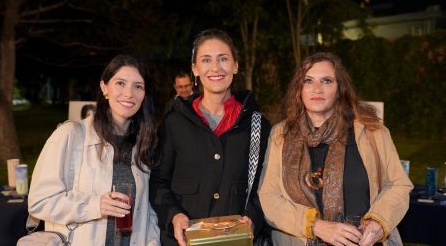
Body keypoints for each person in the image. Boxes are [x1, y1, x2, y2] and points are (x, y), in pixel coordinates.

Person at [258, 52, 413, 246]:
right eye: (308, 81)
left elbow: (398, 185)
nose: (317, 89)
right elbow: (269, 198)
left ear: (340, 89)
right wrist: (316, 226)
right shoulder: (281, 134)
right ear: (299, 89)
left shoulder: (373, 131)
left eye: (327, 81)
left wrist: (378, 222)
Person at [149, 29, 271, 246]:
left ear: (235, 65)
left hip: (236, 241)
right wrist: (174, 215)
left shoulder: (258, 125)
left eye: (223, 59)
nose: (215, 68)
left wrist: (253, 218)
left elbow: (268, 186)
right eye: (206, 60)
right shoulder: (174, 123)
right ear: (195, 69)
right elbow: (158, 182)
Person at [28, 55, 160, 246]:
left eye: (138, 86)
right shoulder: (70, 135)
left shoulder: (144, 144)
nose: (129, 93)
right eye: (120, 83)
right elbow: (40, 201)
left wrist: (152, 242)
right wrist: (95, 205)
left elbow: (146, 210)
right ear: (104, 87)